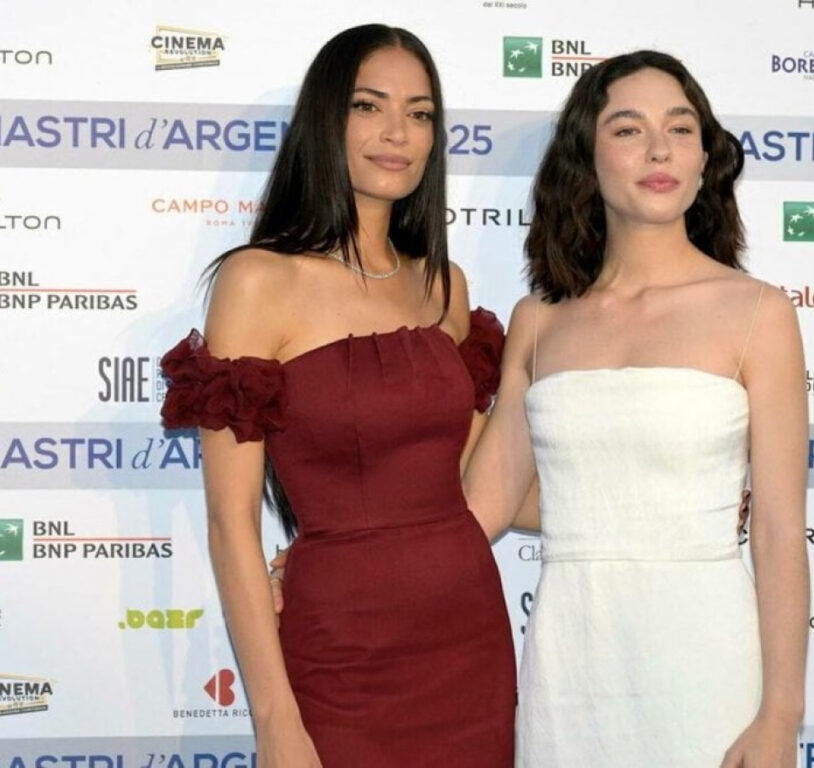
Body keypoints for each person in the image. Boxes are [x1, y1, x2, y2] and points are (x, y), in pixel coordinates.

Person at [159, 25, 515, 768]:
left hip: (470, 641)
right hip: (341, 655)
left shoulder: (445, 287)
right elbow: (231, 524)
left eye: (420, 113)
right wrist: (275, 721)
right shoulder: (258, 282)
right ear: (327, 118)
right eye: (368, 106)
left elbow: (483, 480)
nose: (398, 133)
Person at [463, 50, 810, 767]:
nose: (659, 149)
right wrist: (331, 555)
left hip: (707, 669)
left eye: (680, 129)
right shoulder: (539, 321)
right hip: (571, 668)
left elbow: (779, 531)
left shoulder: (758, 313)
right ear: (585, 159)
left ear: (705, 158)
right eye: (628, 129)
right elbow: (479, 509)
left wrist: (780, 716)